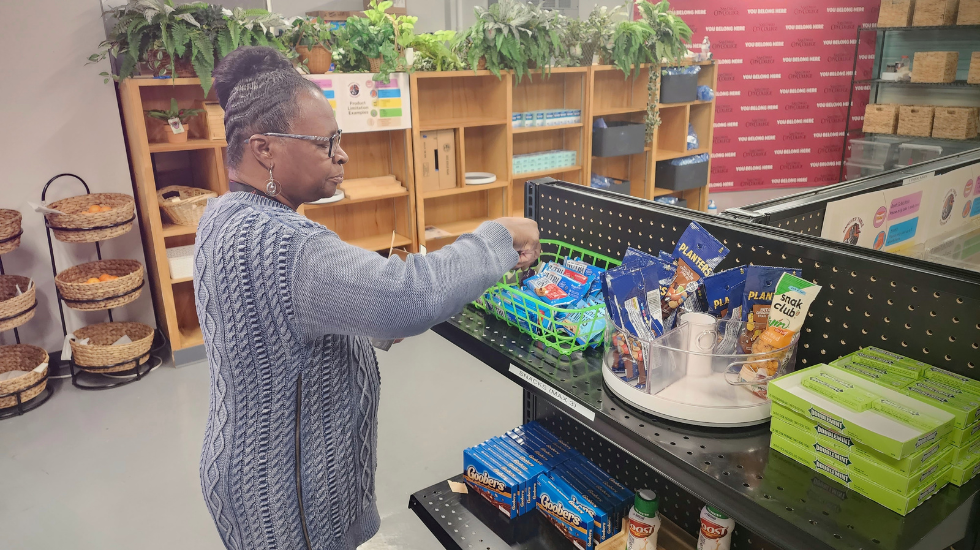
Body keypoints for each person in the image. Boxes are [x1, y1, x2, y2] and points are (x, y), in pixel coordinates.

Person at [193, 46, 541, 550]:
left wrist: (363, 320)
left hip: (252, 473)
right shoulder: (283, 245)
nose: (342, 154)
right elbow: (408, 296)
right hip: (288, 504)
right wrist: (497, 238)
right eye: (325, 142)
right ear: (263, 149)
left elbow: (278, 322)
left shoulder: (225, 215)